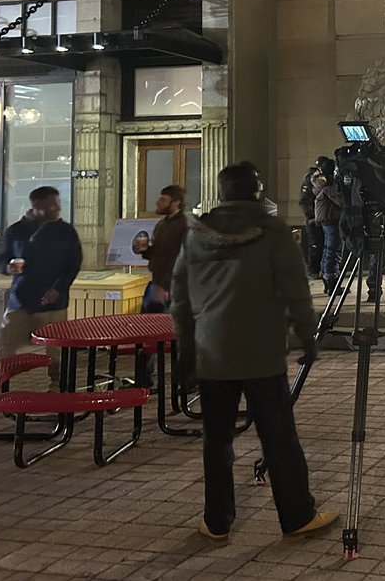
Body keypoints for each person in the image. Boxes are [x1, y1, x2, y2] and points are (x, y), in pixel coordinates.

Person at [171, 161, 336, 541]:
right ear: (256, 192)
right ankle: (296, 516)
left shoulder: (196, 236)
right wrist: (308, 338)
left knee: (217, 441)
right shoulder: (273, 232)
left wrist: (186, 352)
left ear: (223, 192)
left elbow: (179, 299)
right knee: (279, 439)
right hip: (261, 352)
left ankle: (217, 521)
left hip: (212, 351)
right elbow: (296, 291)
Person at [0, 186, 83, 393]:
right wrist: (8, 267)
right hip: (21, 300)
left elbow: (72, 264)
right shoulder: (16, 231)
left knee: (56, 349)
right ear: (37, 206)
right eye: (51, 204)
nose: (58, 207)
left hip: (53, 302)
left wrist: (59, 288)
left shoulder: (65, 231)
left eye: (57, 203)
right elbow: (2, 258)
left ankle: (59, 387)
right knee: (4, 345)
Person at [136, 185, 188, 314]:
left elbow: (186, 257)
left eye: (163, 199)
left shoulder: (186, 225)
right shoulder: (162, 225)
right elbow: (157, 253)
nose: (158, 202)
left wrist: (168, 287)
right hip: (157, 283)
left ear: (176, 203)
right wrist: (145, 250)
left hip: (174, 287)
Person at [312, 156, 343, 295]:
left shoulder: (320, 186)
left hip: (326, 222)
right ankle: (332, 281)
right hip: (332, 222)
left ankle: (327, 278)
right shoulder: (329, 188)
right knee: (334, 251)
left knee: (328, 251)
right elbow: (341, 202)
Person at [298, 157, 327, 279]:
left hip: (321, 218)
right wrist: (312, 217)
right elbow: (304, 201)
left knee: (323, 246)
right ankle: (313, 270)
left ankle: (319, 270)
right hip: (314, 219)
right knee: (315, 245)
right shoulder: (311, 179)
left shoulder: (321, 179)